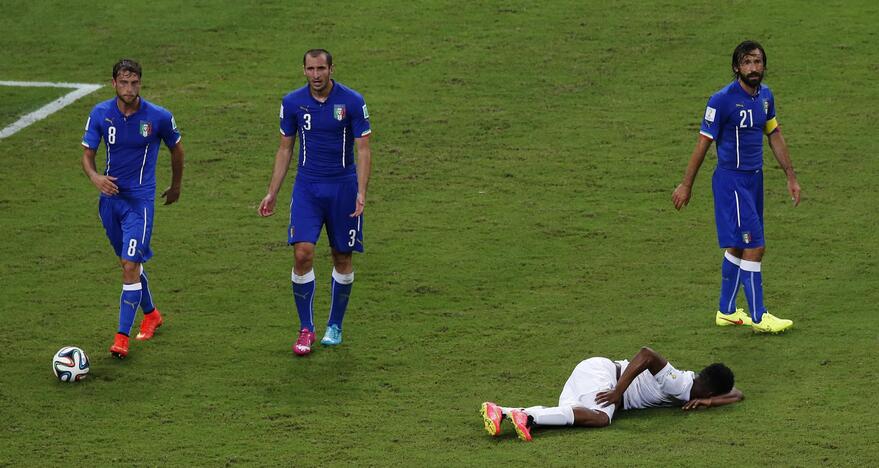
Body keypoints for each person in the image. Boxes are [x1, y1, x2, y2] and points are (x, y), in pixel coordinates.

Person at [672, 40, 801, 333]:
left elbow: (775, 134)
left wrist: (790, 176)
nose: (753, 68)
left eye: (757, 62)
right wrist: (686, 184)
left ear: (764, 66)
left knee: (738, 244)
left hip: (754, 180)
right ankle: (759, 316)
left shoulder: (765, 97)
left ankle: (727, 311)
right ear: (736, 67)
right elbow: (703, 144)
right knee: (755, 245)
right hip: (732, 182)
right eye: (747, 63)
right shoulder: (721, 100)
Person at [258, 49, 372, 356]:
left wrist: (361, 191)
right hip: (308, 188)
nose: (316, 75)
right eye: (311, 69)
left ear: (332, 69)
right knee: (303, 254)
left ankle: (334, 325)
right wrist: (273, 191)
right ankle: (306, 328)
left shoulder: (352, 101)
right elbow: (285, 149)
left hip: (343, 189)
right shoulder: (292, 102)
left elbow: (363, 149)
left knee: (342, 258)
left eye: (322, 68)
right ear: (304, 70)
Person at [81, 59, 184, 359]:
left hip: (139, 203)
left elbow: (177, 149)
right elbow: (88, 154)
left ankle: (121, 339)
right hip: (109, 202)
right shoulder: (100, 114)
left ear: (140, 82)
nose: (129, 88)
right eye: (123, 82)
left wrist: (176, 186)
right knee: (129, 264)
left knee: (129, 265)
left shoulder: (158, 117)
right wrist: (96, 177)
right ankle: (151, 313)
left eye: (134, 82)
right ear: (114, 83)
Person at [480, 347, 743, 441]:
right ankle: (527, 418)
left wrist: (708, 400)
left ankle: (503, 411)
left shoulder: (693, 385)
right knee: (600, 419)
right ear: (707, 388)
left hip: (593, 373)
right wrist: (618, 391)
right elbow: (647, 353)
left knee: (568, 417)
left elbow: (738, 393)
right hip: (604, 377)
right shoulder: (678, 383)